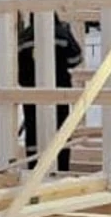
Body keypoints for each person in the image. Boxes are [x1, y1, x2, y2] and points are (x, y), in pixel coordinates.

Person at [18, 17, 83, 171]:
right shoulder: (61, 33)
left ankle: (34, 168)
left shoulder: (25, 36)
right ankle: (61, 167)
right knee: (60, 130)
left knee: (33, 131)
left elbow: (18, 67)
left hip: (31, 92)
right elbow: (76, 59)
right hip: (59, 90)